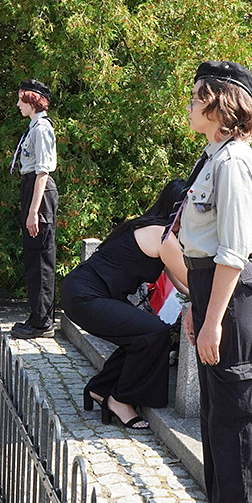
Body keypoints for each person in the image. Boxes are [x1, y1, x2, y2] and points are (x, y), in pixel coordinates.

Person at [167, 61, 252, 503]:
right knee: (213, 413)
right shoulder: (213, 158)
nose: (189, 104)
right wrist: (195, 306)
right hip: (210, 291)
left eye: (196, 96)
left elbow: (232, 252)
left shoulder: (234, 163)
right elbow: (198, 247)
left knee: (235, 412)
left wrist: (212, 321)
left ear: (220, 104)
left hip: (232, 296)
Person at [61, 180, 190, 430]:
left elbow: (182, 282)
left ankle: (100, 389)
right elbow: (191, 280)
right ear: (179, 209)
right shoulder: (162, 235)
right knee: (154, 332)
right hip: (87, 296)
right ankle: (120, 400)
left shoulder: (153, 228)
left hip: (82, 291)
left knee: (141, 335)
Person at [9, 79, 58, 340]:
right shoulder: (34, 127)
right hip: (31, 189)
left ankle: (42, 323)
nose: (18, 104)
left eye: (21, 99)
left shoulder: (42, 129)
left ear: (32, 100)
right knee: (33, 257)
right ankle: (37, 315)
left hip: (39, 193)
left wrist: (33, 211)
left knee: (40, 258)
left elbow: (43, 172)